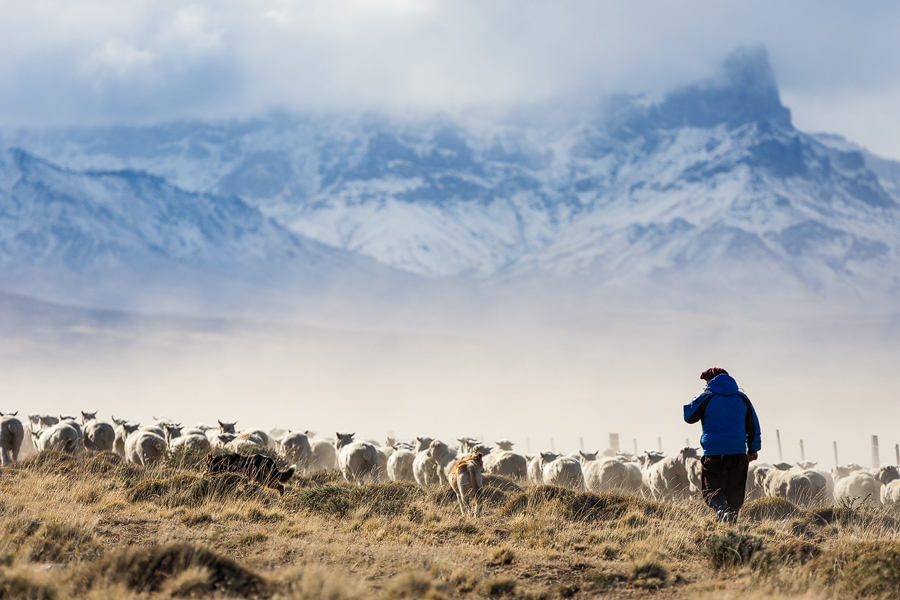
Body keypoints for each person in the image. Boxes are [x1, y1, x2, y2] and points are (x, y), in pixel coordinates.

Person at [683, 367, 761, 523]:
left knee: (712, 490)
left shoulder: (707, 397)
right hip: (738, 453)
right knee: (735, 492)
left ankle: (723, 513)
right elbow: (753, 426)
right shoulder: (742, 398)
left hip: (714, 453)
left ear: (710, 380)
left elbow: (689, 417)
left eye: (706, 381)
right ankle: (731, 524)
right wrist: (753, 449)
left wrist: (699, 396)